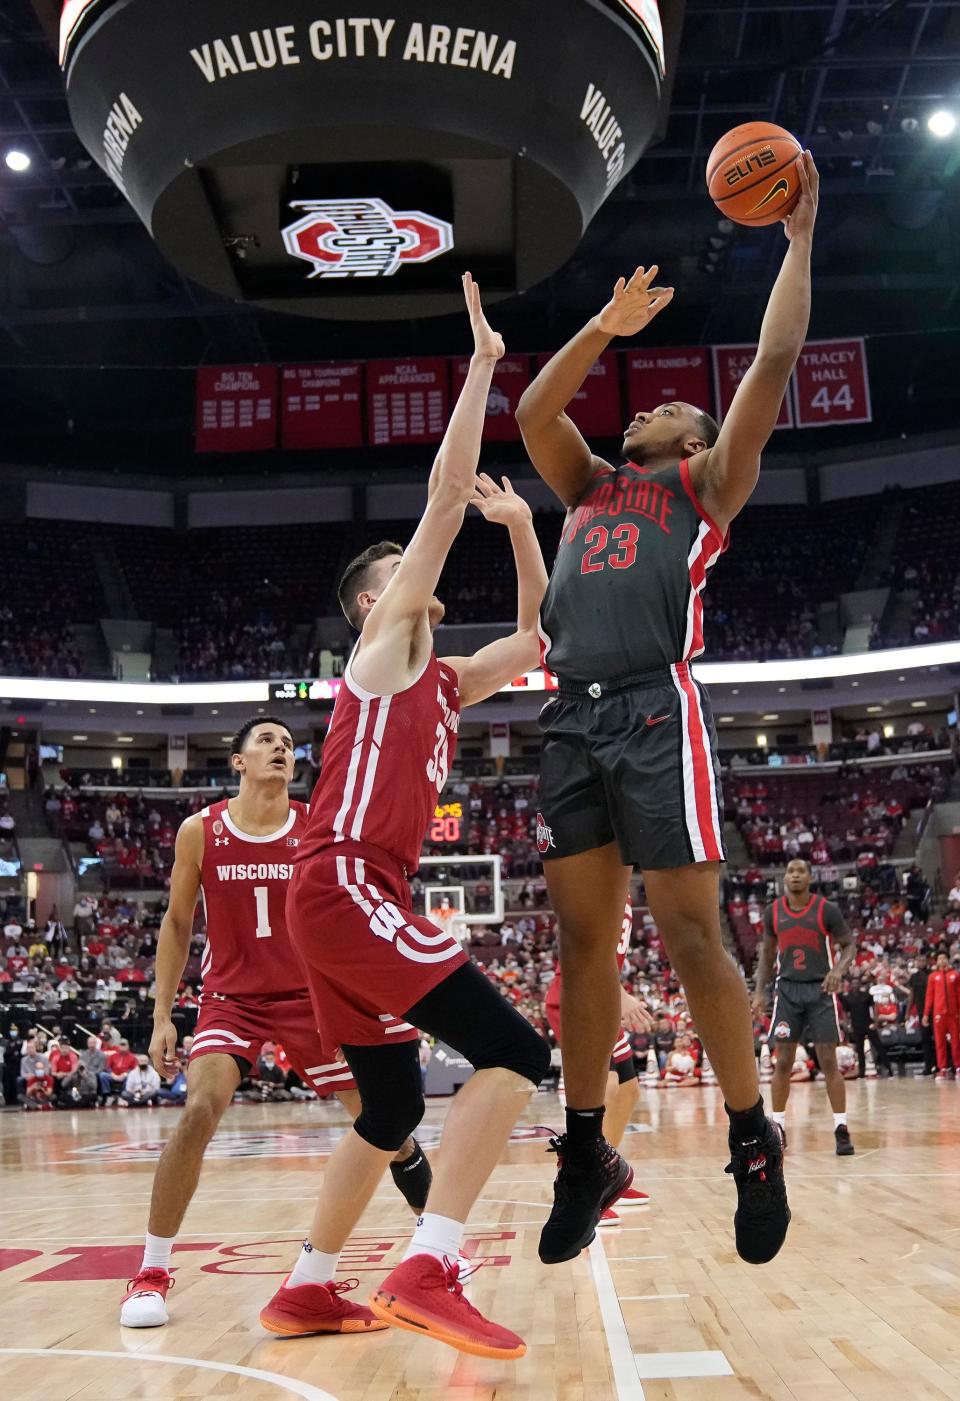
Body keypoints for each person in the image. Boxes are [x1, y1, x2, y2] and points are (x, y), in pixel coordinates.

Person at [515, 153, 820, 1266]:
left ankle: (751, 1134)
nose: (656, 403)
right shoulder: (588, 486)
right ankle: (589, 1147)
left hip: (654, 710)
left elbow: (775, 359)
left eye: (674, 406)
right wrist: (603, 323)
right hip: (568, 716)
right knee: (582, 945)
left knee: (692, 934)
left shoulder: (704, 486)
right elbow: (536, 405)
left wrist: (794, 243)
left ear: (690, 446)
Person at [260, 273, 551, 1358]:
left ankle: (303, 1287)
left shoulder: (442, 674)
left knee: (387, 1113)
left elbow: (533, 645)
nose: (421, 564)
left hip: (337, 901)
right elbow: (437, 504)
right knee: (516, 1050)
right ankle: (428, 1265)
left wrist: (522, 529)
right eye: (401, 570)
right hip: (343, 885)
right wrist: (481, 368)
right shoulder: (385, 654)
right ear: (373, 607)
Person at [120, 717, 430, 1329]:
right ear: (237, 761)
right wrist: (161, 1013)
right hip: (231, 997)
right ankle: (151, 1270)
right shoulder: (199, 831)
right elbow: (178, 923)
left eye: (287, 744)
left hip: (312, 997)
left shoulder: (318, 824)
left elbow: (355, 906)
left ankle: (437, 1247)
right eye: (266, 741)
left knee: (387, 1125)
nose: (280, 749)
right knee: (200, 1109)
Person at [543, 901, 654, 1223]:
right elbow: (576, 940)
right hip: (576, 995)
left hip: (600, 994)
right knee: (606, 1087)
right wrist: (619, 992)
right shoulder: (596, 882)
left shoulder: (623, 890)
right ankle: (580, 1185)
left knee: (629, 1089)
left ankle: (607, 1176)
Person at [752, 859, 856, 1155]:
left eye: (801, 871)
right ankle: (778, 1126)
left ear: (810, 878)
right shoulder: (773, 912)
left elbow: (849, 944)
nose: (795, 876)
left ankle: (841, 1127)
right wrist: (759, 991)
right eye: (790, 871)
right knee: (782, 1061)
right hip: (787, 990)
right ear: (784, 878)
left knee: (828, 1061)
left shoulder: (826, 909)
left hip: (820, 989)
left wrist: (838, 971)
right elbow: (766, 954)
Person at [923, 950, 960, 1079]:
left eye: (944, 958)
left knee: (956, 1041)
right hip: (938, 1014)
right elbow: (929, 997)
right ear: (937, 961)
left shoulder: (955, 975)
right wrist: (926, 1014)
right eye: (940, 958)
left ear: (948, 960)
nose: (942, 960)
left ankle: (958, 1067)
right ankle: (942, 1068)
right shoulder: (933, 977)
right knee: (940, 1042)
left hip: (953, 1014)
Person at [99, 1038, 137, 1104]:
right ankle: (107, 1095)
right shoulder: (113, 1056)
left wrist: (125, 1074)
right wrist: (112, 1074)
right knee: (102, 1075)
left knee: (129, 1077)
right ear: (118, 1046)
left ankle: (123, 1097)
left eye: (124, 1045)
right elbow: (107, 1067)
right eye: (121, 1045)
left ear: (128, 1046)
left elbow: (134, 1069)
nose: (122, 1047)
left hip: (125, 1076)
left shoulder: (132, 1057)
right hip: (113, 1075)